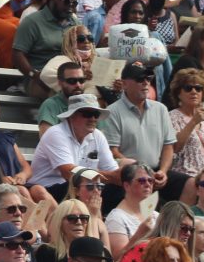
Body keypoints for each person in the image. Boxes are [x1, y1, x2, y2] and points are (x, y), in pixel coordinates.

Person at [102, 62, 192, 204]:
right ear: (124, 84)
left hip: (156, 171)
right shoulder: (113, 111)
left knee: (191, 184)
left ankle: (183, 222)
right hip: (129, 175)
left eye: (148, 78)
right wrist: (141, 172)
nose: (145, 82)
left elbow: (168, 146)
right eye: (139, 79)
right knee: (150, 203)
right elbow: (112, 151)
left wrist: (163, 171)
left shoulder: (160, 109)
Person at [28, 94, 121, 202]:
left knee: (119, 188)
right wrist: (112, 176)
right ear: (72, 116)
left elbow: (114, 173)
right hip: (49, 188)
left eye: (96, 114)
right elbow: (69, 174)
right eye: (87, 114)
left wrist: (121, 176)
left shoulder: (98, 135)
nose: (93, 119)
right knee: (81, 187)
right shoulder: (55, 133)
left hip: (77, 187)